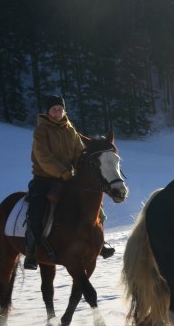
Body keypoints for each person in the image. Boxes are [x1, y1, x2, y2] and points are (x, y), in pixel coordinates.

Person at [24, 95, 115, 270]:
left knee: (94, 206)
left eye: (60, 109)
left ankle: (98, 243)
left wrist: (80, 170)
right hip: (44, 178)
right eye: (54, 109)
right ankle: (32, 252)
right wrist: (62, 172)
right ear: (48, 112)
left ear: (64, 110)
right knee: (36, 212)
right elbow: (43, 157)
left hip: (67, 178)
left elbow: (79, 152)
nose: (57, 112)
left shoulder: (69, 128)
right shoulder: (41, 130)